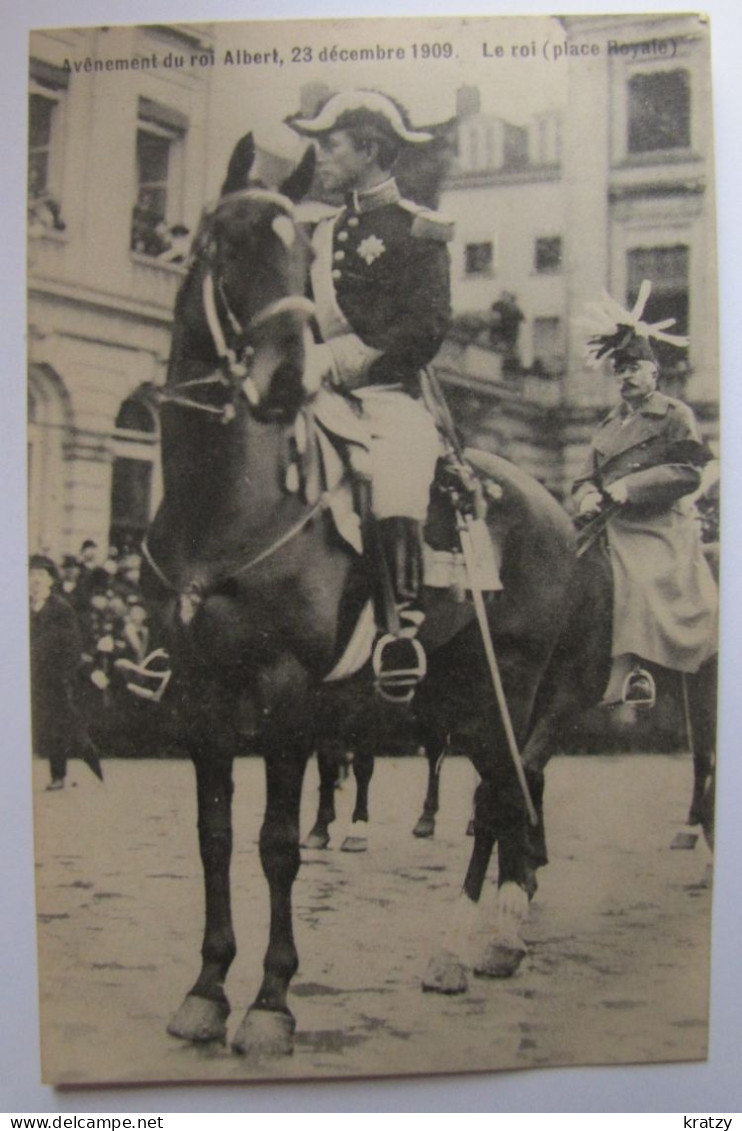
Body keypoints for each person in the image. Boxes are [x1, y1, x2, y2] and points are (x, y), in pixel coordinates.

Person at [287, 90, 453, 694]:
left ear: (370, 148)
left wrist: (341, 359)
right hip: (315, 387)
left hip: (386, 393)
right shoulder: (321, 230)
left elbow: (426, 330)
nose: (322, 157)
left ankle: (399, 626)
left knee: (399, 481)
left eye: (331, 145)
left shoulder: (419, 231)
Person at [572, 282, 718, 707]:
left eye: (634, 367)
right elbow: (584, 477)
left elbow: (689, 471)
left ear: (653, 371)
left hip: (656, 524)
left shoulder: (675, 414)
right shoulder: (606, 425)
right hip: (605, 522)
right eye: (620, 369)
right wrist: (585, 496)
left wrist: (631, 487)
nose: (626, 376)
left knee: (636, 576)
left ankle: (637, 671)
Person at [29, 554, 102, 789]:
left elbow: (72, 643)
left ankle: (65, 771)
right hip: (29, 677)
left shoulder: (60, 608)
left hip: (55, 677)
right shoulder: (18, 606)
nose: (36, 580)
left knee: (59, 725)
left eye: (41, 576)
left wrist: (65, 673)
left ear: (51, 581)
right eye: (32, 575)